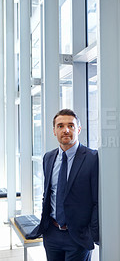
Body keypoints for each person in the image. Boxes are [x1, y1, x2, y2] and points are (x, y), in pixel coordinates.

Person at [29, 109, 99, 261]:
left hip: (78, 237)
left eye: (71, 126)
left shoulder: (93, 158)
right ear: (54, 131)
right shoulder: (48, 158)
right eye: (60, 126)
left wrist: (91, 234)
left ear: (78, 129)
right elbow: (48, 194)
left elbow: (96, 201)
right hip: (52, 234)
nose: (66, 130)